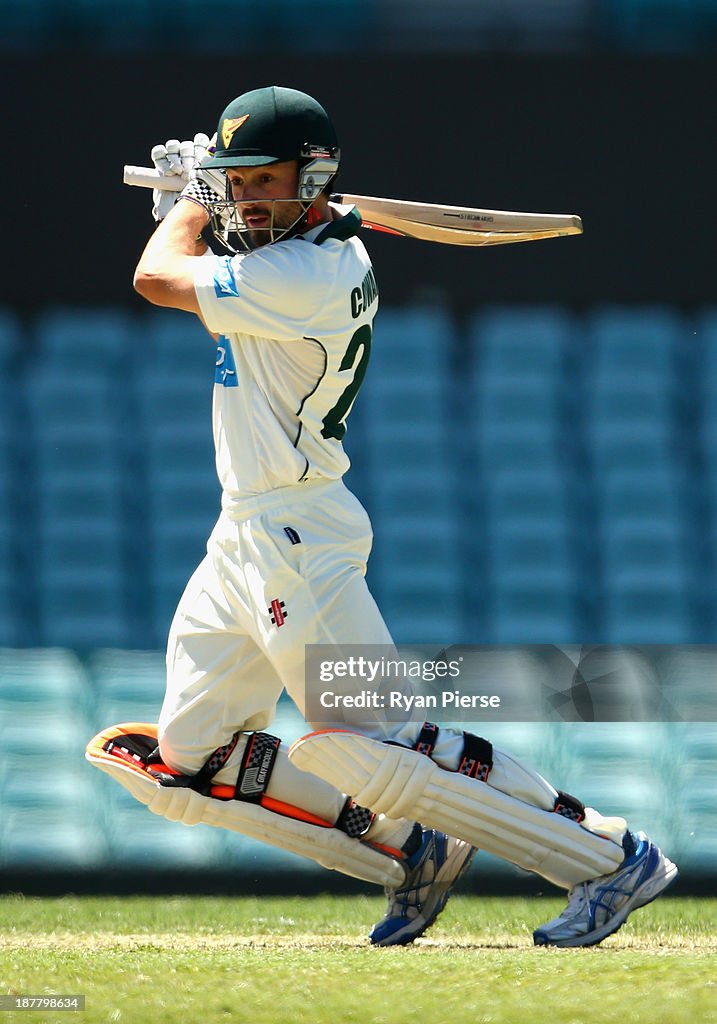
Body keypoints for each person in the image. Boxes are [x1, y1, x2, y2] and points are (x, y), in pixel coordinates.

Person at [88, 85, 677, 949]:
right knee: (189, 756)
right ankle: (412, 850)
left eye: (262, 181)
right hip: (244, 536)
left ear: (314, 176)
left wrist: (186, 203)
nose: (243, 200)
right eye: (234, 181)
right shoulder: (298, 253)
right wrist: (210, 200)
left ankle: (606, 857)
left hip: (295, 535)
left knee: (374, 746)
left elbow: (153, 277)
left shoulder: (309, 274)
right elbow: (221, 250)